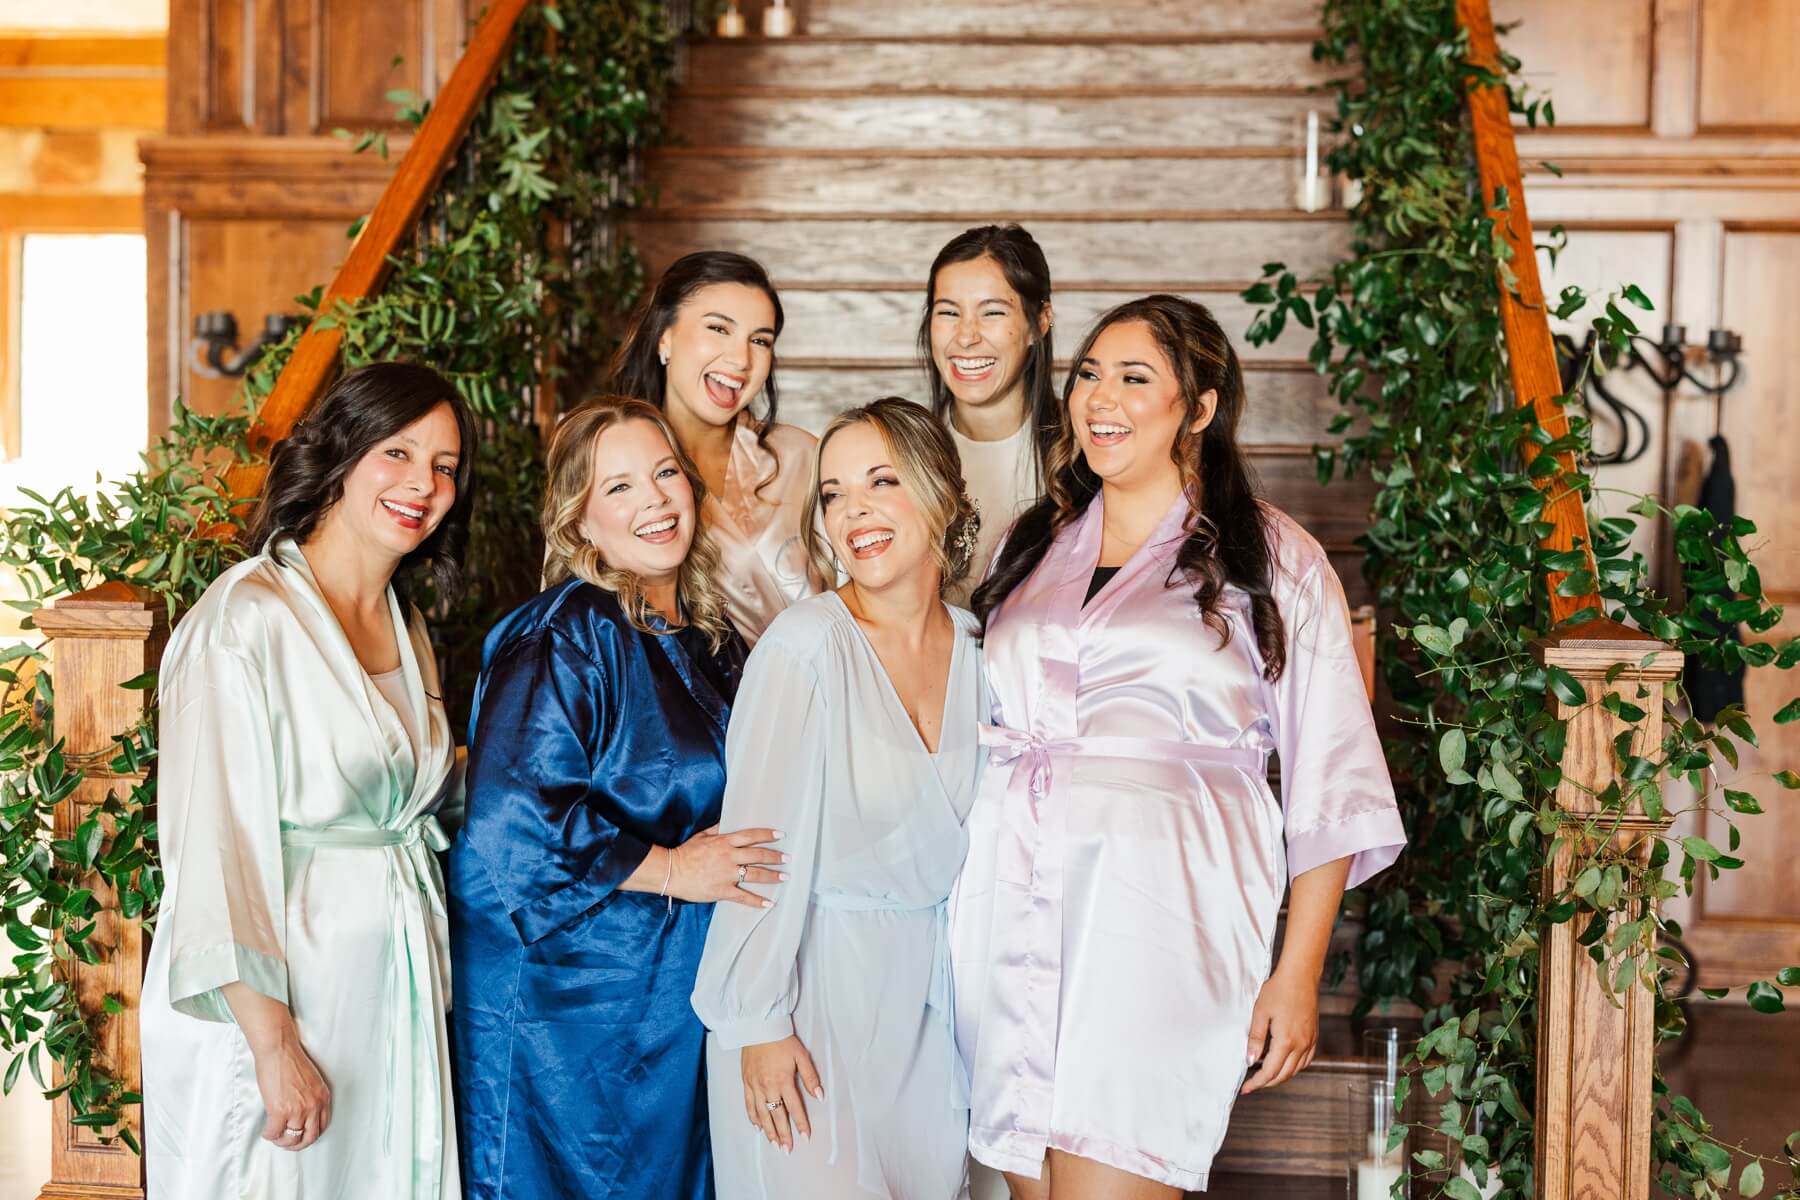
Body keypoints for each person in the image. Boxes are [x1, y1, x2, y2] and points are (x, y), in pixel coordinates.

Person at [952, 296, 1408, 1198]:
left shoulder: (1271, 556)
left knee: (1118, 1164)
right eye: (1087, 374)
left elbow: (1333, 779)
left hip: (1160, 913)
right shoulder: (1028, 544)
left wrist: (1299, 971)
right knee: (1025, 1183)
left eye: (1134, 378)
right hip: (1008, 902)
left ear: (1198, 407)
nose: (1099, 399)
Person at [141, 362, 479, 1200]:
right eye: (396, 454)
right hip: (279, 997)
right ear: (339, 455)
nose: (422, 485)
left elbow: (409, 791)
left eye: (444, 466)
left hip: (387, 990)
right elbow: (213, 846)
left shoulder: (407, 622)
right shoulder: (244, 620)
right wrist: (272, 1042)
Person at [449, 397, 786, 1200]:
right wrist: (671, 868)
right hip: (576, 1020)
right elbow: (508, 828)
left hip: (673, 1002)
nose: (657, 500)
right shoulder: (563, 635)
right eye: (621, 488)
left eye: (666, 473)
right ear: (580, 523)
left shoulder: (709, 634)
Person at [692, 398, 986, 1200]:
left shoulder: (979, 648)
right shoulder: (806, 646)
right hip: (809, 1002)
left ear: (940, 493)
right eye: (831, 493)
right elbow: (756, 852)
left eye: (881, 481)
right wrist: (759, 1024)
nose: (852, 511)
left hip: (931, 1017)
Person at [611, 250, 826, 643]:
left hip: (820, 695)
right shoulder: (605, 462)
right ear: (665, 338)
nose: (741, 359)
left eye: (759, 340)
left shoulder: (803, 457)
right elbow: (568, 617)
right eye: (719, 329)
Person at [917, 224, 1056, 606]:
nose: (966, 337)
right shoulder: (901, 452)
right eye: (949, 312)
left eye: (991, 312)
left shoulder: (1085, 455)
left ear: (1039, 323)